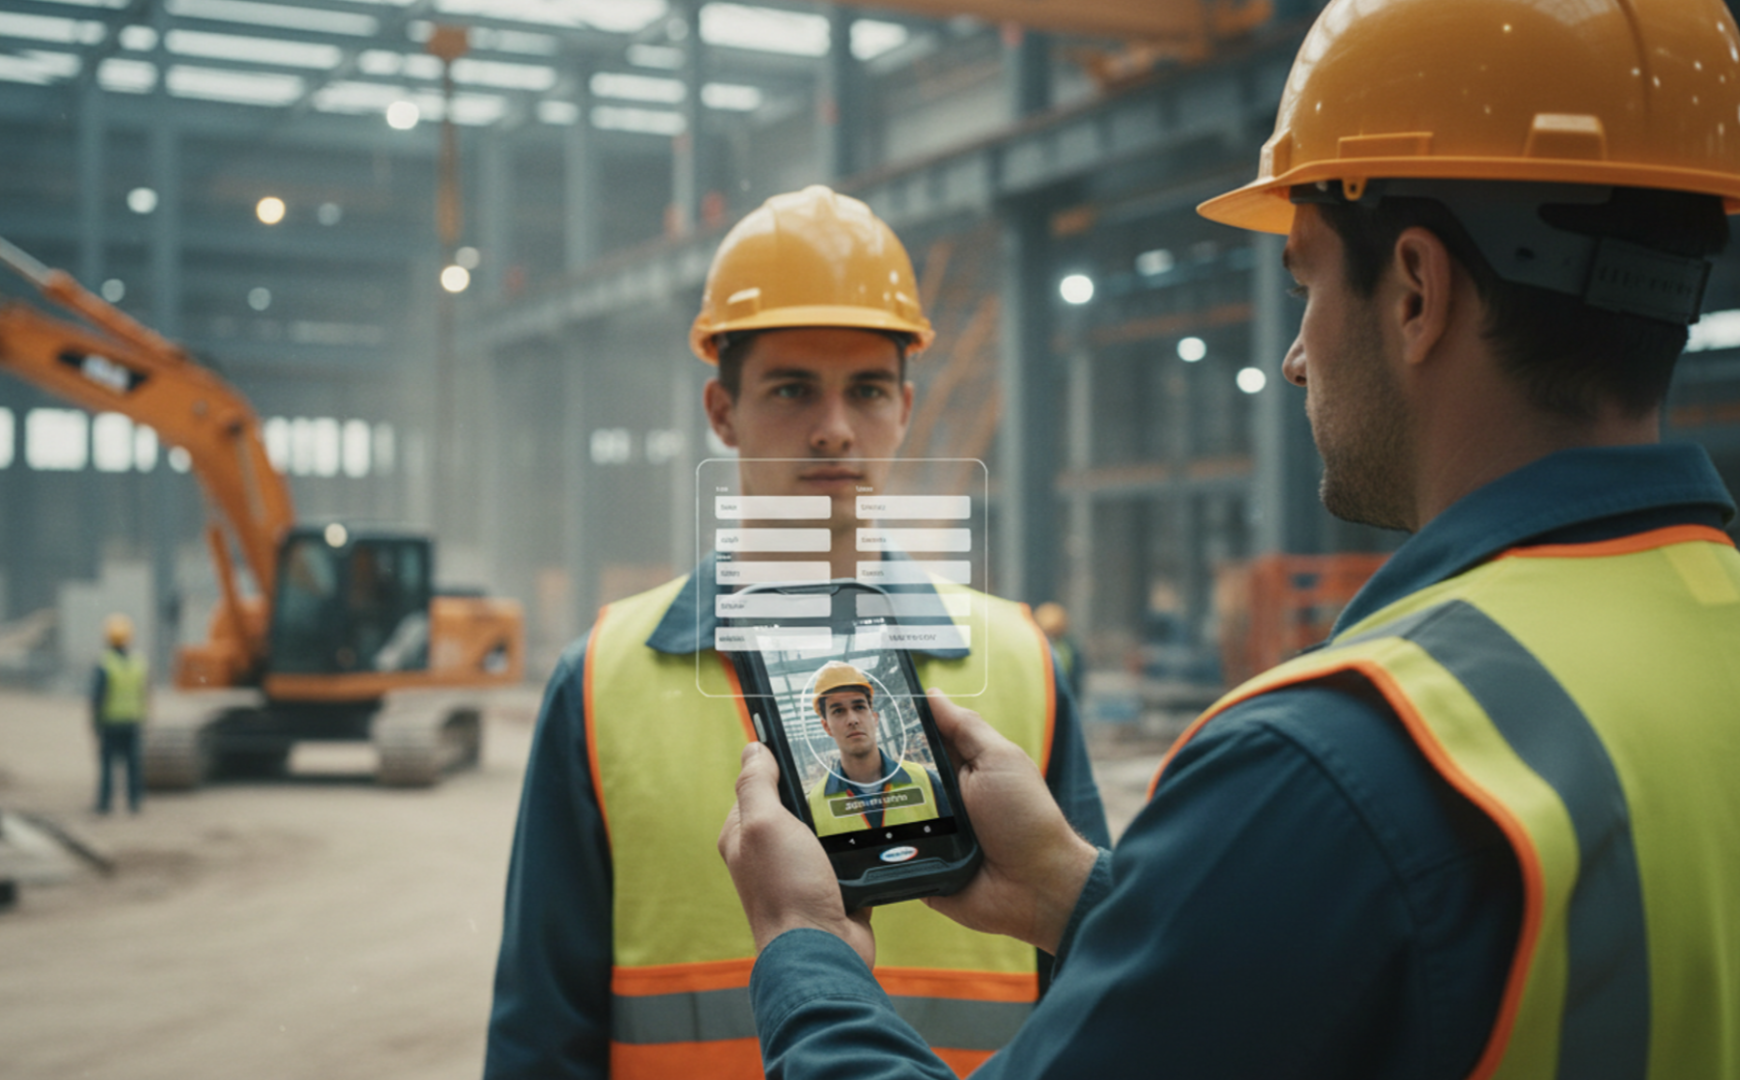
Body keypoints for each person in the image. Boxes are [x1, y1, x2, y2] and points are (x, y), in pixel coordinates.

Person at [718, 1, 1740, 1076]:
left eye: (1303, 281)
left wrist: (809, 952)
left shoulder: (1339, 763)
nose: (1295, 356)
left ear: (1415, 293)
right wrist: (1078, 890)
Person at [485, 184, 1108, 1080]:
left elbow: (1102, 988)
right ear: (721, 410)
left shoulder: (1020, 663)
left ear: (905, 404)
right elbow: (542, 1032)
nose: (833, 427)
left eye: (866, 390)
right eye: (791, 390)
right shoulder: (597, 681)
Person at [801, 661, 952, 834]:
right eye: (838, 711)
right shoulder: (812, 805)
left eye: (859, 707)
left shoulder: (928, 781)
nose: (852, 720)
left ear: (875, 719)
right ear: (826, 727)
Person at [90, 612, 148, 815]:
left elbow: (97, 696)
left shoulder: (105, 662)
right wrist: (144, 716)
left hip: (110, 723)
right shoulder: (138, 662)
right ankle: (134, 804)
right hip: (132, 721)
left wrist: (94, 723)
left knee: (107, 768)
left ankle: (104, 806)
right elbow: (144, 693)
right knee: (133, 767)